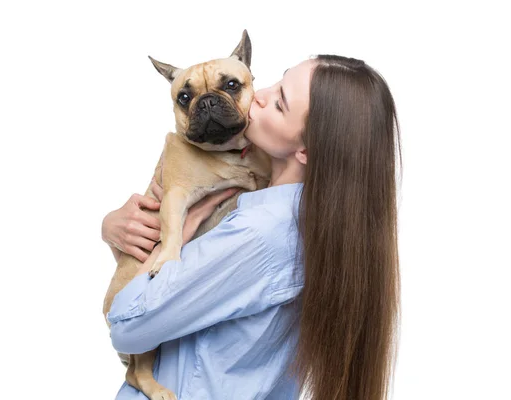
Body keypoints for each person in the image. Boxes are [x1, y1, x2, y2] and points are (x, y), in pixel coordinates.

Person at [102, 55, 401, 400]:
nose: (260, 95)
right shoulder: (297, 215)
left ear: (306, 149)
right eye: (274, 83)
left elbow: (127, 326)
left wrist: (171, 239)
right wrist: (114, 229)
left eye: (279, 103)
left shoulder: (260, 235)